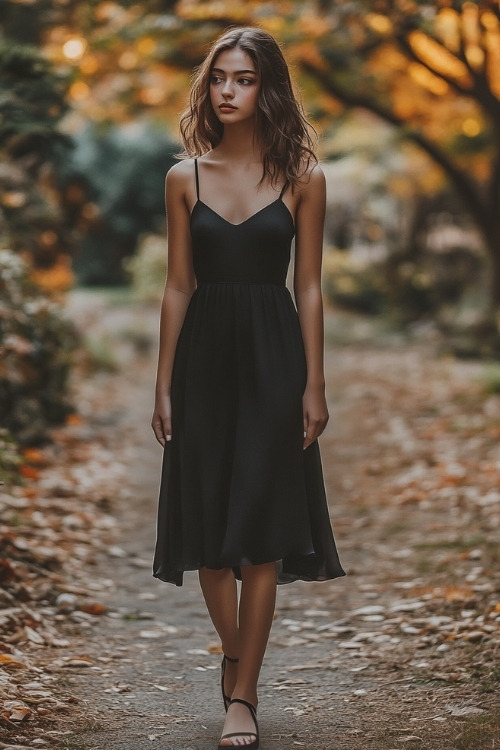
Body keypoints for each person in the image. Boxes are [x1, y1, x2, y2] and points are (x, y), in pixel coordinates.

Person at [151, 26, 345, 750]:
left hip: (274, 358)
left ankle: (244, 692)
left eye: (244, 79)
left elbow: (312, 287)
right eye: (219, 79)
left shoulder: (303, 177)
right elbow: (176, 287)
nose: (227, 91)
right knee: (209, 541)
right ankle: (236, 653)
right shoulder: (183, 177)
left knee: (260, 538)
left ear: (270, 89)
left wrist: (315, 383)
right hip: (202, 359)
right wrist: (164, 384)